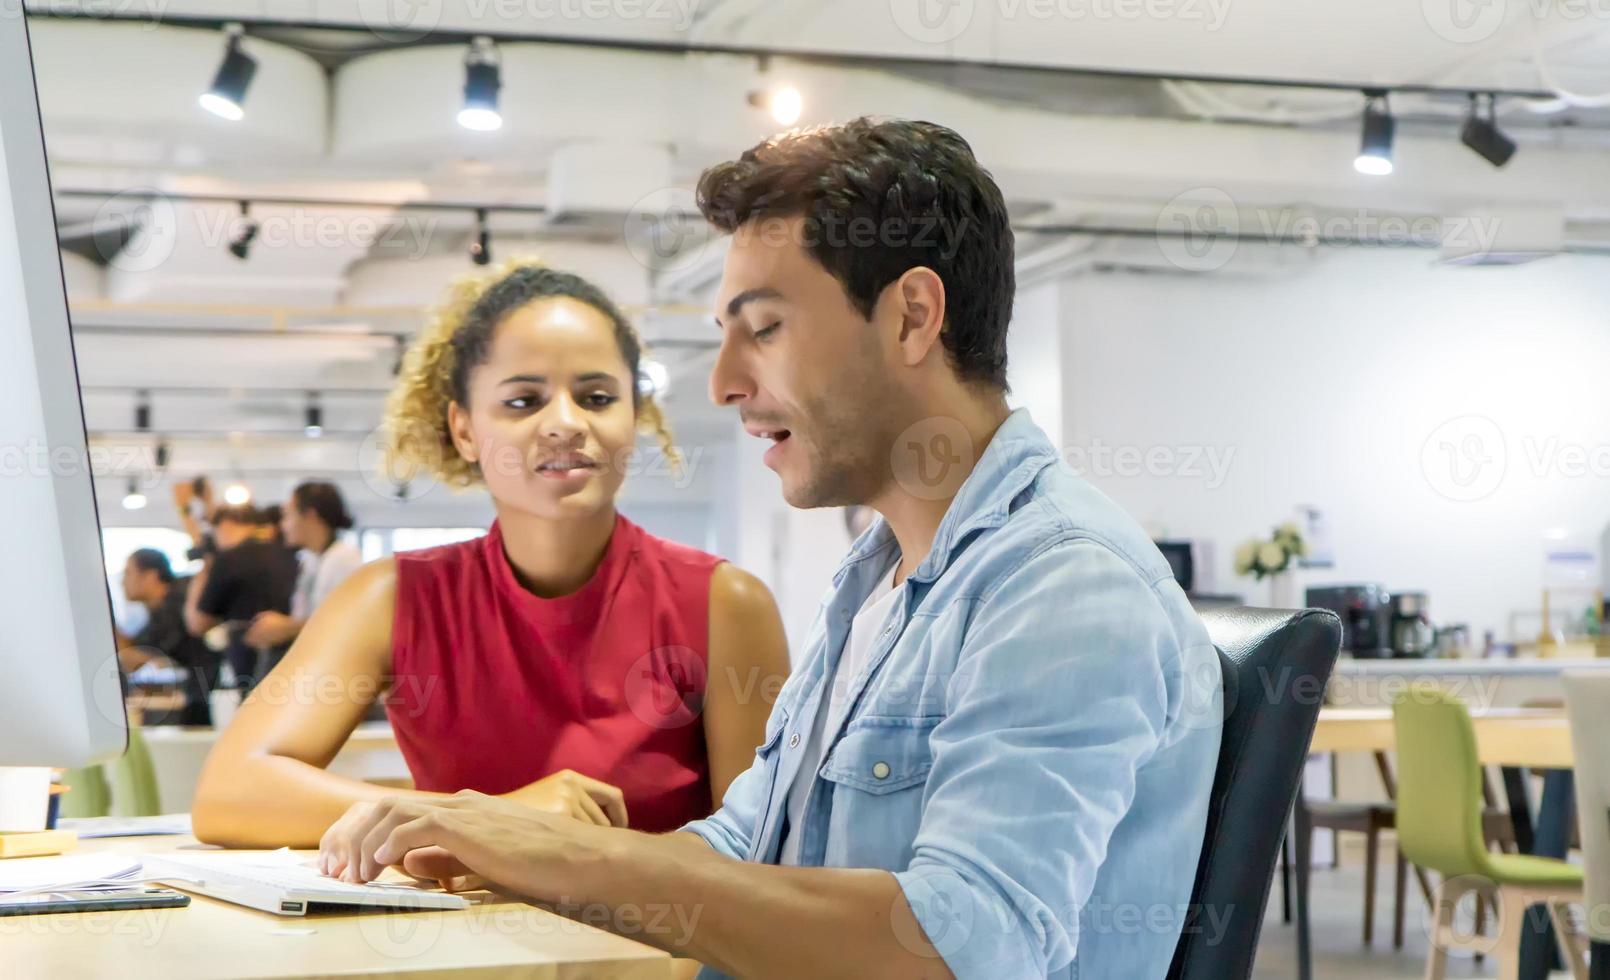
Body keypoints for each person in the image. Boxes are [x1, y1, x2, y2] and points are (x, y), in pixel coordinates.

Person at [321, 118, 1225, 980]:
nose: (722, 384)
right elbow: (744, 842)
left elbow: (957, 952)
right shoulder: (879, 583)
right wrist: (519, 861)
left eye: (764, 329)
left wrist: (575, 861)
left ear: (912, 316)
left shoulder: (1065, 585)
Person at [192, 263, 791, 851]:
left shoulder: (721, 604)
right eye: (524, 401)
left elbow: (757, 858)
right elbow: (230, 792)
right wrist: (485, 819)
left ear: (635, 418)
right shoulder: (393, 598)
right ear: (464, 430)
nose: (564, 422)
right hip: (459, 949)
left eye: (598, 396)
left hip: (654, 947)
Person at [182, 503, 300, 692]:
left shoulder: (229, 560)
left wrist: (205, 569)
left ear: (226, 525)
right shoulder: (289, 553)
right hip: (295, 660)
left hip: (250, 662)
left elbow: (197, 623)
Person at [242, 482, 364, 651]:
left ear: (310, 515)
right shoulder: (309, 559)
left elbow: (351, 623)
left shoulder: (344, 559)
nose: (283, 525)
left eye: (287, 515)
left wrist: (288, 627)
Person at [117, 548, 219, 726]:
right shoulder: (161, 609)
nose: (122, 582)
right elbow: (132, 652)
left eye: (128, 573)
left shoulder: (177, 604)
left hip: (212, 692)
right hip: (203, 691)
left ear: (151, 576)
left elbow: (132, 659)